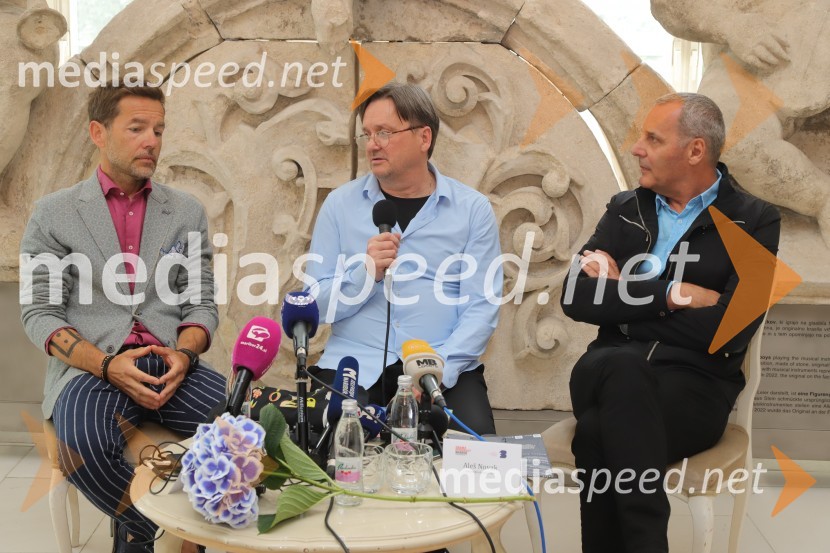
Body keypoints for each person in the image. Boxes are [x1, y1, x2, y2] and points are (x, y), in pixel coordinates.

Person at [560, 93, 780, 553]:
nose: (637, 148)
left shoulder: (755, 221)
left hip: (694, 390)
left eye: (653, 139)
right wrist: (673, 296)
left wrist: (623, 302)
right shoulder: (625, 208)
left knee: (598, 433)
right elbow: (575, 296)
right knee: (622, 368)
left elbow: (729, 330)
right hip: (604, 369)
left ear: (695, 150)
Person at [20, 84, 225, 553]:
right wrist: (107, 365)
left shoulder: (186, 212)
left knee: (247, 430)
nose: (151, 140)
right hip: (91, 368)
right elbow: (40, 312)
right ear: (99, 132)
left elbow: (201, 304)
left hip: (170, 364)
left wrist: (184, 355)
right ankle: (152, 532)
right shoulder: (54, 214)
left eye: (158, 130)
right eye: (136, 129)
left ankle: (175, 530)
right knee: (82, 447)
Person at [304, 82, 502, 435]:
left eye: (384, 132)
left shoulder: (472, 210)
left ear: (424, 137)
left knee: (473, 453)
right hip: (354, 366)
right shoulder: (339, 205)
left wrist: (437, 370)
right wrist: (366, 274)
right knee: (330, 447)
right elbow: (315, 306)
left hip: (441, 365)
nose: (372, 144)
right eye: (367, 134)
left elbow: (481, 308)